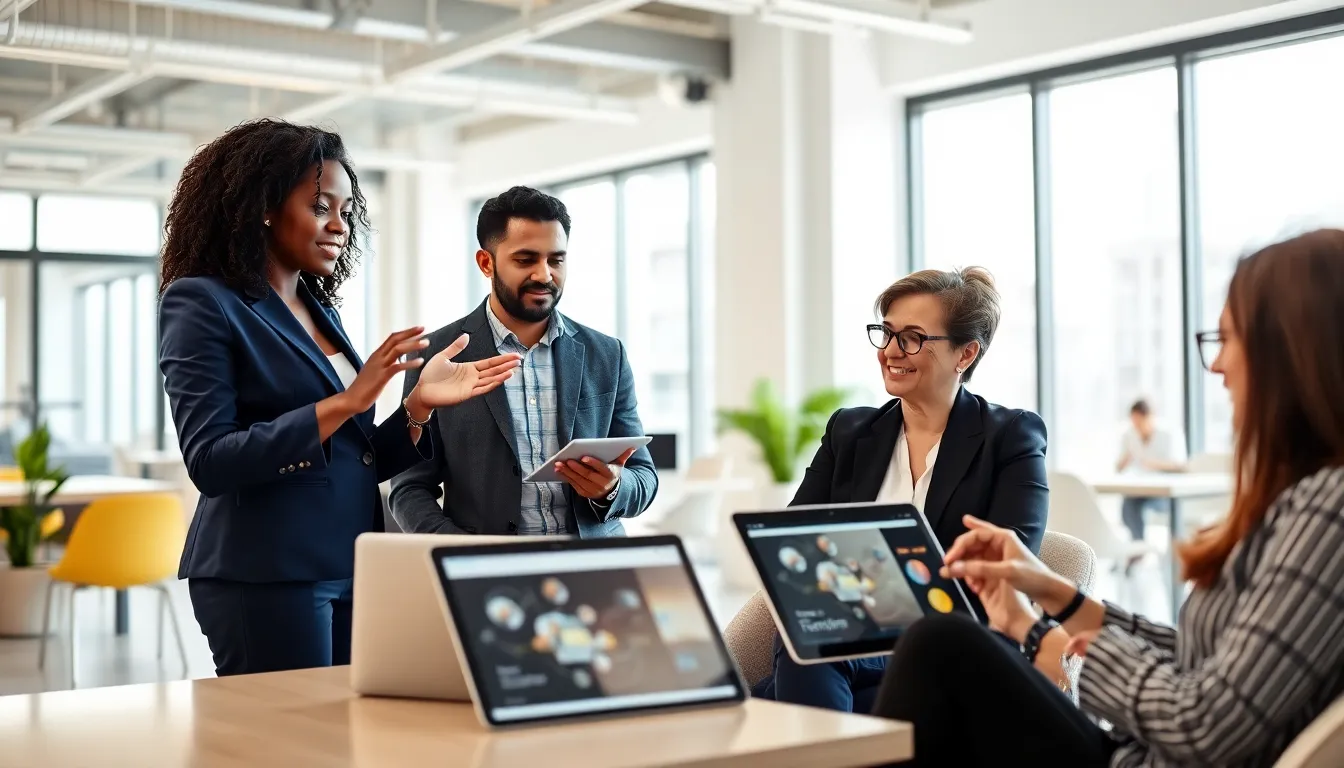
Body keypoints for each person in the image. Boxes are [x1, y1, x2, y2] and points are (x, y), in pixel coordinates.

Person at [872, 229, 1344, 767]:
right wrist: (1053, 594)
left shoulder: (1331, 508)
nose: (1216, 366)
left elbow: (1203, 723)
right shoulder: (1307, 497)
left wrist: (1036, 634)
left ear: (1291, 353)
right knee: (940, 654)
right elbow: (1200, 660)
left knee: (938, 649)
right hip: (1137, 755)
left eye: (1229, 340)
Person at [158, 119, 521, 676]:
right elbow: (211, 460)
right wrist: (348, 400)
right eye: (320, 206)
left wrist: (417, 408)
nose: (339, 226)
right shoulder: (201, 302)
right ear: (263, 206)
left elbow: (356, 451)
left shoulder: (317, 307)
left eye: (346, 211)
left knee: (341, 740)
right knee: (287, 747)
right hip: (267, 568)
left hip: (350, 560)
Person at [749, 266, 1050, 712]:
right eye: (885, 332)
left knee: (796, 669)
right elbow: (794, 537)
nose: (890, 351)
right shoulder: (850, 430)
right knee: (817, 652)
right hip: (847, 632)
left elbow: (1007, 562)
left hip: (955, 637)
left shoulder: (1010, 436)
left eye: (911, 337)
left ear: (965, 354)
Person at [390, 186, 658, 537]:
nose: (545, 274)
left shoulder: (607, 354)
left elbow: (643, 476)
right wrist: (455, 551)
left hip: (592, 566)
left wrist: (612, 488)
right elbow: (409, 487)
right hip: (487, 571)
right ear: (487, 263)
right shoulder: (438, 354)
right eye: (525, 259)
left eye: (556, 259)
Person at [1116, 398, 1186, 543]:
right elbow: (1118, 468)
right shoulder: (1130, 435)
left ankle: (1168, 551)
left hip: (1166, 493)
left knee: (1171, 510)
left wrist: (1154, 464)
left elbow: (1181, 466)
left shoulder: (1168, 434)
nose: (1137, 427)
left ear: (1150, 417)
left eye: (1140, 423)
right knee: (1128, 506)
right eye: (1134, 423)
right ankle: (1138, 546)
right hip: (1142, 489)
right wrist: (1126, 459)